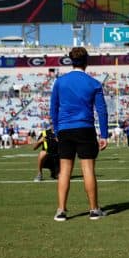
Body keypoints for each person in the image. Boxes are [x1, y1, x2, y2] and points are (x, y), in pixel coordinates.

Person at [50, 47, 109, 221]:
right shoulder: (93, 83)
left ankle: (61, 210)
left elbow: (53, 108)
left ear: (70, 61)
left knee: (65, 171)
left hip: (65, 129)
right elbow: (102, 110)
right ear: (86, 61)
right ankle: (93, 209)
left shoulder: (60, 82)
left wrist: (56, 129)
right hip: (85, 128)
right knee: (88, 169)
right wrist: (104, 134)